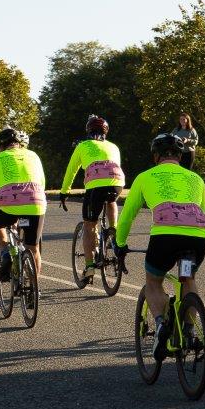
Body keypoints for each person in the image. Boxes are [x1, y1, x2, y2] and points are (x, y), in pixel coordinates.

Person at [114, 133, 205, 359]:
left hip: (165, 237)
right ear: (180, 156)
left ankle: (160, 326)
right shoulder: (196, 179)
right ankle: (188, 331)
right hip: (198, 237)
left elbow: (127, 216)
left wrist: (120, 244)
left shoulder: (145, 176)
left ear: (156, 156)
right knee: (187, 278)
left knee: (153, 282)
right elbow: (202, 211)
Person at [59, 114, 125, 287]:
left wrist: (64, 192)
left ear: (88, 130)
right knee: (111, 200)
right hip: (117, 183)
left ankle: (89, 267)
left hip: (96, 185)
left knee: (89, 225)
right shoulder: (113, 146)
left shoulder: (82, 146)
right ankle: (113, 232)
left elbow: (71, 170)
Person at [0, 128, 47, 282]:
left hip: (8, 203)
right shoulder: (33, 155)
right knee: (33, 247)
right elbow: (42, 182)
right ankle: (34, 289)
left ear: (0, 146)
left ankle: (5, 251)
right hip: (35, 202)